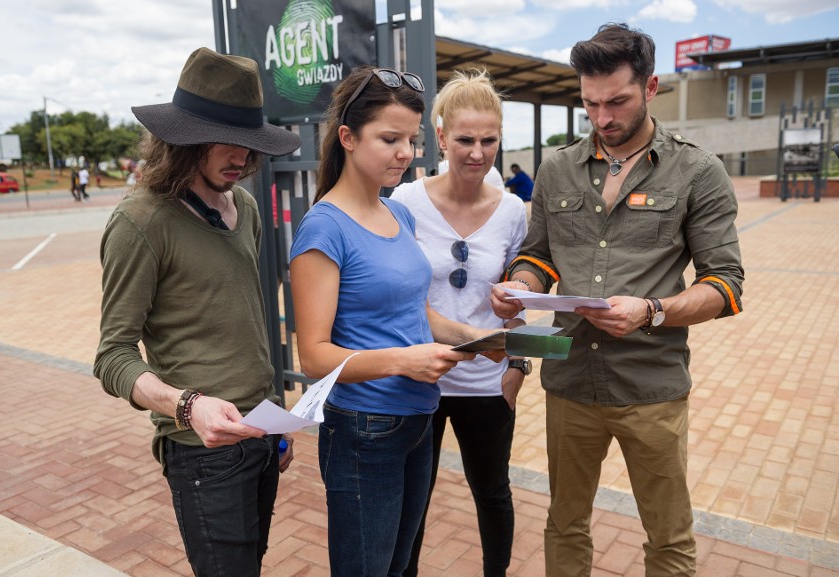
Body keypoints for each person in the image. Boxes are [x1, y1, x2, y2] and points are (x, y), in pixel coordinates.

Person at [490, 23, 744, 577]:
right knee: (564, 523)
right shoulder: (557, 167)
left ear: (651, 87)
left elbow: (725, 284)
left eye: (617, 101)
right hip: (570, 381)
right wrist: (521, 289)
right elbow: (539, 256)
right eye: (590, 104)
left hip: (650, 385)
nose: (603, 118)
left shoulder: (699, 171)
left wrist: (653, 310)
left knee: (669, 538)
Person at [94, 47, 301, 577]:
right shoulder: (140, 223)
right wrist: (187, 406)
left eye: (251, 145)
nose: (242, 158)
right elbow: (112, 356)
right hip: (201, 448)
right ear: (182, 138)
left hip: (259, 430)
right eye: (227, 142)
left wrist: (273, 418)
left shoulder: (247, 207)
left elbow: (245, 321)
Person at [289, 66, 482, 576]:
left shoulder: (400, 214)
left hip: (417, 419)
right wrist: (405, 361)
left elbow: (412, 309)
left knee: (398, 568)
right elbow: (313, 356)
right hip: (363, 428)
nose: (406, 153)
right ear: (348, 138)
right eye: (390, 138)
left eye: (412, 140)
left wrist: (476, 338)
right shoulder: (324, 228)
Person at [391, 69, 528, 577]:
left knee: (492, 493)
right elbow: (395, 291)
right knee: (414, 501)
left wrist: (517, 365)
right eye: (465, 139)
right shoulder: (406, 202)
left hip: (486, 383)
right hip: (421, 379)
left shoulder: (513, 210)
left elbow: (520, 292)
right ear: (442, 137)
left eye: (489, 140)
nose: (477, 152)